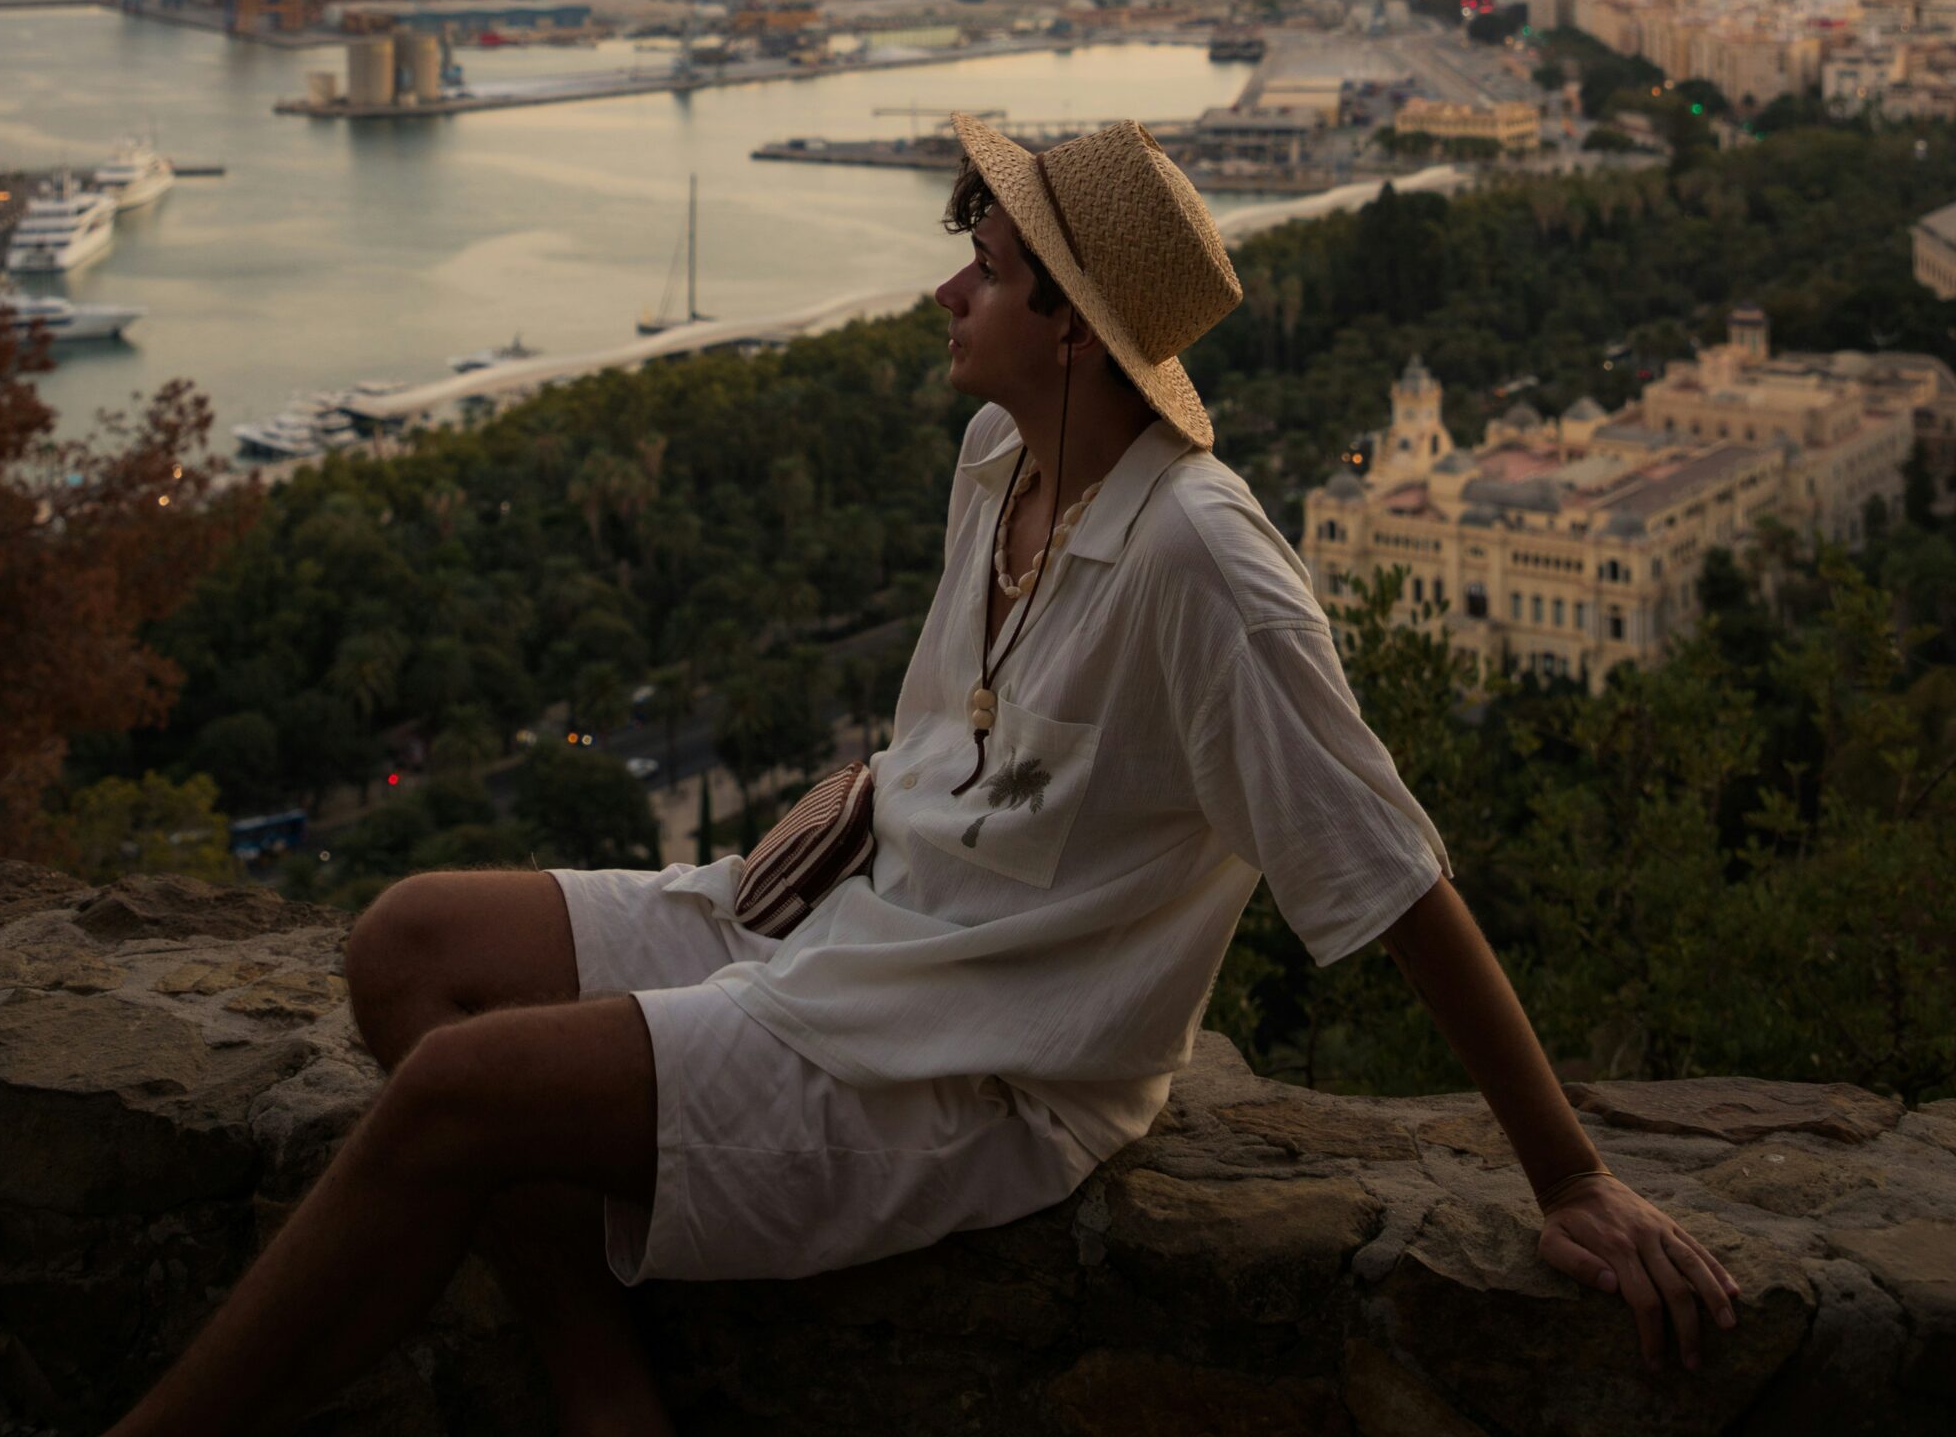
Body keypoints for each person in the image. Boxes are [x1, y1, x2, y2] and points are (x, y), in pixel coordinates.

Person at [106, 115, 1740, 1437]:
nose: (948, 295)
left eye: (989, 268)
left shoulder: (1203, 563)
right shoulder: (999, 462)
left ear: (1078, 334)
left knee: (462, 1095)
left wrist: (1573, 1176)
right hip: (848, 919)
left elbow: (1390, 875)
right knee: (408, 945)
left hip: (973, 1059)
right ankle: (610, 1396)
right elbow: (952, 743)